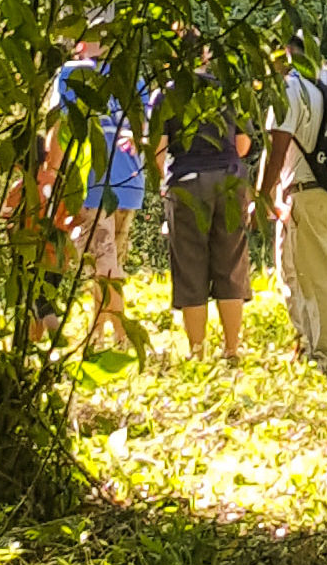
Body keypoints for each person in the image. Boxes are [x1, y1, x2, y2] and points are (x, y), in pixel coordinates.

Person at [260, 51, 327, 377]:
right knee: (301, 274)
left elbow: (277, 146)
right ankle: (306, 345)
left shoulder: (291, 87)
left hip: (308, 194)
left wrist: (262, 195)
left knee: (317, 280)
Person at [43, 38, 146, 353]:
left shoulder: (72, 74)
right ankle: (96, 338)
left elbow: (60, 127)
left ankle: (121, 338)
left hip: (93, 181)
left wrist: (50, 177)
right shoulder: (133, 75)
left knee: (104, 267)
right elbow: (146, 129)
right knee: (107, 261)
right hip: (130, 182)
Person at [157, 61, 257, 368]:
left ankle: (197, 351)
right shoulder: (225, 88)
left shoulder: (167, 95)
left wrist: (164, 182)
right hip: (228, 180)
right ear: (203, 55)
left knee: (190, 266)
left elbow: (158, 149)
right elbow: (243, 143)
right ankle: (231, 349)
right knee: (230, 264)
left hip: (187, 183)